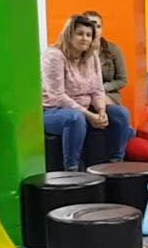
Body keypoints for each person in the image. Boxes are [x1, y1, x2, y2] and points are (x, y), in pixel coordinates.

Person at [41, 15, 110, 171]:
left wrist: (101, 111)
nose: (85, 38)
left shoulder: (92, 56)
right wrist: (89, 115)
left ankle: (112, 166)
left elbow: (97, 89)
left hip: (84, 108)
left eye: (88, 35)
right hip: (52, 110)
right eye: (80, 33)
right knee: (75, 119)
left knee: (120, 114)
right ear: (69, 35)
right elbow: (57, 97)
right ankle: (72, 170)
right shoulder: (54, 56)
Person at [81, 10, 135, 162]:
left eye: (98, 26)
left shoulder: (113, 50)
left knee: (121, 113)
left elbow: (122, 80)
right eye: (90, 25)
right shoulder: (77, 50)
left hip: (109, 96)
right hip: (83, 97)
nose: (95, 29)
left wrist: (102, 89)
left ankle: (117, 160)